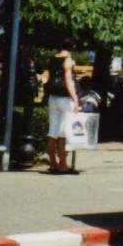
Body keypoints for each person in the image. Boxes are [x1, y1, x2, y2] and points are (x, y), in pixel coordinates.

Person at [44, 39, 80, 174]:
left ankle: (52, 162)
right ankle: (63, 163)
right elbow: (68, 80)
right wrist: (75, 98)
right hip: (65, 97)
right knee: (64, 130)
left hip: (53, 96)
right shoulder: (68, 60)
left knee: (52, 130)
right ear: (73, 46)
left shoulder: (53, 59)